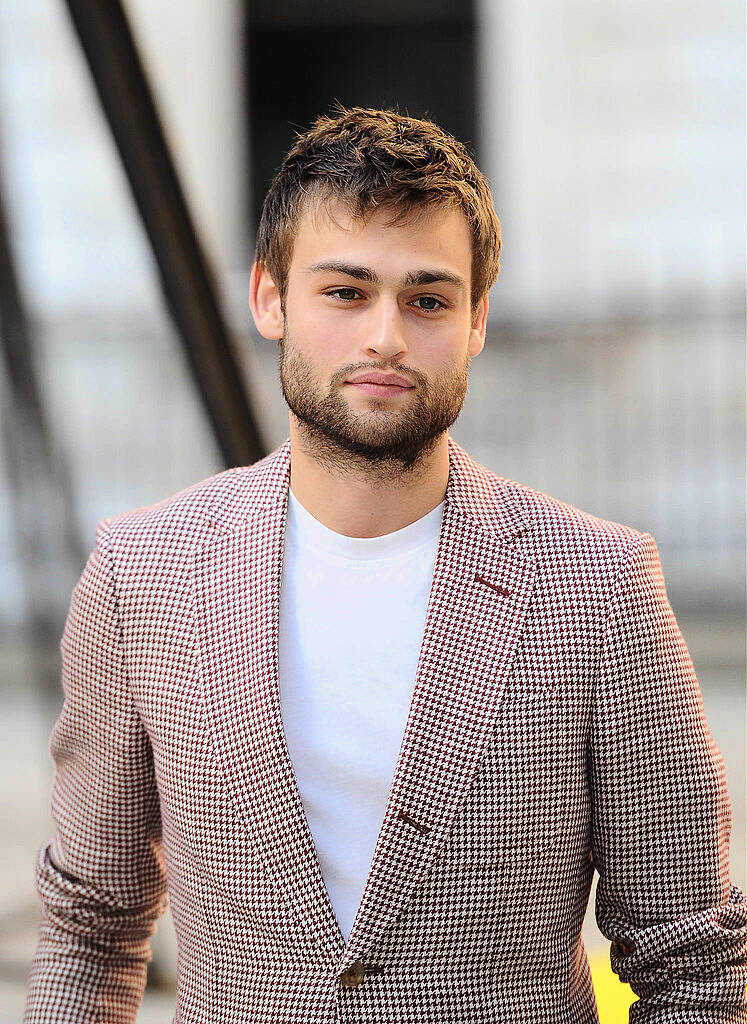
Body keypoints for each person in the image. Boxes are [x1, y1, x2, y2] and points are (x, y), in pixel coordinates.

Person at [24, 106, 746, 1024]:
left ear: (476, 318)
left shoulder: (596, 585)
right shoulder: (143, 574)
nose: (386, 337)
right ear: (269, 298)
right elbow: (91, 927)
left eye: (428, 299)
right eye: (345, 291)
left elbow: (692, 964)